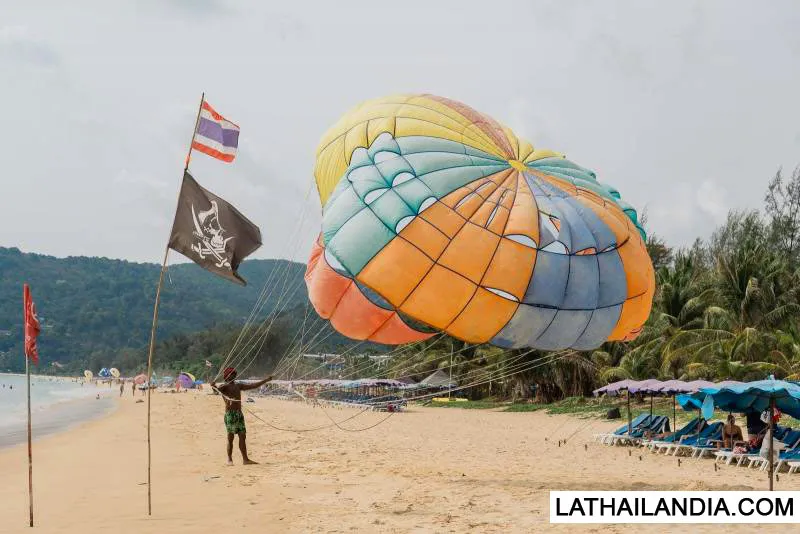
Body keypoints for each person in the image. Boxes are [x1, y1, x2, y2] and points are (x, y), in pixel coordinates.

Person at [209, 368, 273, 465]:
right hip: (230, 414)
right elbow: (216, 391)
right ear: (226, 376)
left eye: (234, 374)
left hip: (239, 414)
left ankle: (245, 459)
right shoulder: (224, 387)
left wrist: (266, 380)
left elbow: (252, 386)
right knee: (230, 438)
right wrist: (213, 386)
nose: (233, 376)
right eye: (231, 374)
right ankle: (229, 460)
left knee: (242, 436)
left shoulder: (238, 386)